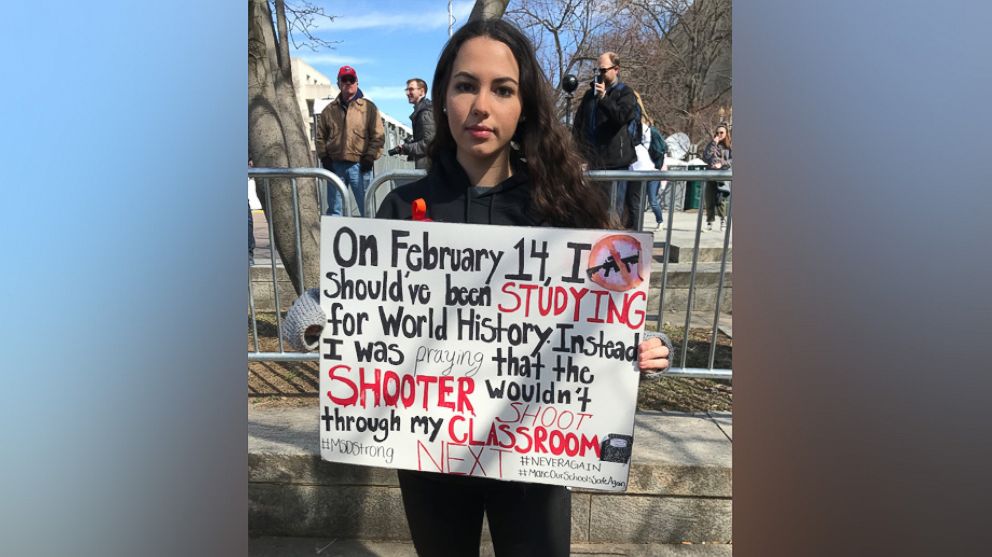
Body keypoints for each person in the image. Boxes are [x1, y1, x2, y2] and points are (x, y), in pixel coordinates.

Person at [374, 19, 672, 557]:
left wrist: (651, 347)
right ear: (442, 98)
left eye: (502, 89)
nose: (481, 106)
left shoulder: (563, 210)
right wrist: (322, 323)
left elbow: (605, 325)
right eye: (465, 85)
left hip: (535, 461)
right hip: (433, 459)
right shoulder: (400, 210)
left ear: (526, 104)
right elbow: (361, 315)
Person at [571, 51, 641, 229]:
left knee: (613, 215)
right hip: (593, 162)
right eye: (597, 70)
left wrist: (604, 99)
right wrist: (578, 156)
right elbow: (579, 126)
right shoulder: (589, 95)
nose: (599, 74)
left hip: (615, 164)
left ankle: (612, 250)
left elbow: (621, 117)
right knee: (593, 212)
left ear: (616, 69)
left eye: (603, 70)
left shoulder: (625, 93)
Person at [314, 65, 385, 216]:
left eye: (351, 79)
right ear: (338, 83)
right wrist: (324, 158)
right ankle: (337, 239)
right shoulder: (329, 110)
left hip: (360, 166)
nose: (348, 82)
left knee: (367, 210)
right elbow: (320, 137)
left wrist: (370, 157)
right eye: (344, 80)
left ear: (357, 82)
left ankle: (370, 238)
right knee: (335, 211)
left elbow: (378, 135)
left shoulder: (369, 108)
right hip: (335, 166)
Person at [628, 92, 666, 232]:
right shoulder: (649, 129)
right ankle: (657, 222)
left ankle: (657, 222)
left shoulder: (638, 127)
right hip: (650, 168)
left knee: (641, 201)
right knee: (650, 200)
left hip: (640, 168)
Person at [389, 78, 435, 169]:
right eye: (407, 90)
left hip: (429, 167)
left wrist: (406, 148)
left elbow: (429, 144)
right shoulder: (423, 110)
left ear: (422, 92)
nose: (407, 93)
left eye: (411, 89)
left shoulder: (425, 112)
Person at [702, 123, 732, 231]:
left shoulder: (730, 146)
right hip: (711, 174)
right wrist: (714, 143)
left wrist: (722, 164)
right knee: (709, 198)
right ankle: (709, 222)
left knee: (721, 199)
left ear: (726, 133)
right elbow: (706, 157)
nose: (719, 134)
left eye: (722, 132)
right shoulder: (712, 144)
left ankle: (723, 220)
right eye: (717, 132)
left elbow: (731, 161)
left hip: (722, 174)